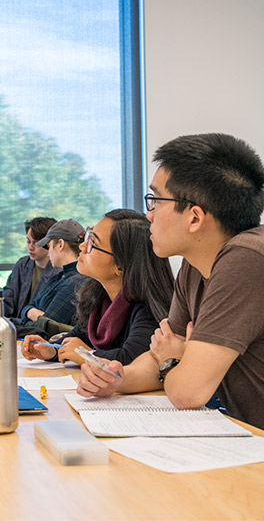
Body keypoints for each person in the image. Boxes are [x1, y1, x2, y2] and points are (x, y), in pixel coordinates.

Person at [76, 133, 264, 430]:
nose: (148, 215)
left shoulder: (246, 258)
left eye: (155, 201)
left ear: (194, 218)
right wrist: (117, 379)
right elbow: (157, 356)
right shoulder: (195, 263)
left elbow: (188, 391)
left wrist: (173, 361)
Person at [22, 209, 174, 366]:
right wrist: (51, 349)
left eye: (93, 243)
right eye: (88, 237)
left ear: (120, 266)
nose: (82, 246)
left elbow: (131, 358)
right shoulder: (99, 297)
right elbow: (77, 337)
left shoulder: (148, 309)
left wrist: (87, 355)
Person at [14, 219, 86, 336]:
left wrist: (28, 314)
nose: (48, 253)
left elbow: (46, 328)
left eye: (49, 247)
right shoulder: (60, 277)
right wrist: (29, 311)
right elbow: (30, 308)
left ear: (60, 244)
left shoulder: (76, 283)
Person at [3, 217, 58, 318]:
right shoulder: (22, 265)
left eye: (36, 243)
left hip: (38, 326)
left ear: (49, 243)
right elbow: (8, 298)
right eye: (28, 241)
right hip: (15, 324)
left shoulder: (59, 272)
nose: (30, 247)